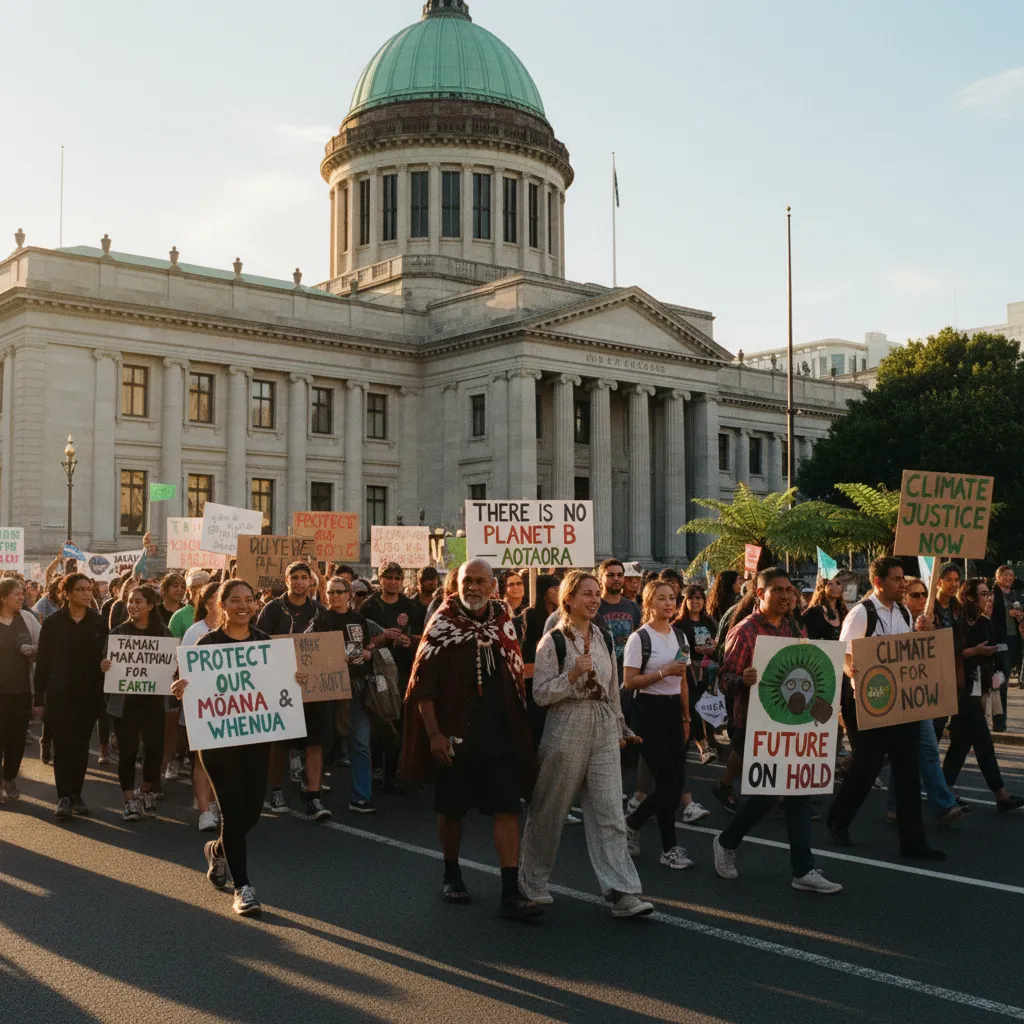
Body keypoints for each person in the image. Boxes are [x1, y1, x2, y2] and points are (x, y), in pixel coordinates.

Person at [401, 559, 542, 920]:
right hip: (455, 736)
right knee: (452, 811)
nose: (474, 587)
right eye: (468, 581)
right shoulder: (443, 624)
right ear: (456, 585)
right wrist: (433, 733)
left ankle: (510, 892)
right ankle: (452, 873)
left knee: (507, 808)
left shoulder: (503, 620)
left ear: (493, 586)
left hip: (500, 735)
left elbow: (514, 671)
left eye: (481, 581)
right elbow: (421, 686)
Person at [519, 571, 652, 917]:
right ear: (569, 599)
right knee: (550, 808)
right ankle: (532, 881)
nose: (594, 600)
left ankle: (622, 891)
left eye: (596, 594)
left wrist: (622, 727)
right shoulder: (553, 641)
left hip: (604, 727)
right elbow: (540, 694)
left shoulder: (606, 638)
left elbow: (612, 692)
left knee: (609, 810)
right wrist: (572, 676)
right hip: (566, 723)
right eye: (586, 594)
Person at [171, 578, 303, 916]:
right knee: (230, 809)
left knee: (249, 815)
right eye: (235, 600)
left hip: (255, 737)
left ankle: (217, 850)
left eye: (249, 599)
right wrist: (182, 687)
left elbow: (277, 689)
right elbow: (186, 684)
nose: (243, 606)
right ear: (221, 604)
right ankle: (243, 888)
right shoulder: (206, 644)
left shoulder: (264, 643)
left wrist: (294, 680)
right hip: (217, 739)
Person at [711, 566, 843, 893]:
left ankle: (803, 870)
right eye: (778, 590)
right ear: (760, 594)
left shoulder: (792, 627)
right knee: (767, 796)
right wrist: (743, 680)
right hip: (751, 724)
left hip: (790, 726)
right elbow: (724, 680)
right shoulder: (745, 631)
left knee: (799, 794)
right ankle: (726, 842)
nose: (786, 596)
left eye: (790, 590)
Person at [827, 556, 944, 860]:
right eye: (896, 579)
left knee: (908, 769)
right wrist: (853, 668)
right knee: (867, 766)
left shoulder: (903, 611)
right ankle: (838, 819)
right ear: (878, 582)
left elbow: (905, 655)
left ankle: (913, 842)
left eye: (904, 578)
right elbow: (843, 653)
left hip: (901, 702)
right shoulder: (861, 613)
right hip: (870, 703)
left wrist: (920, 637)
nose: (902, 584)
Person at [622, 580, 695, 869]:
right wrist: (663, 672)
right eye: (662, 598)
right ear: (649, 604)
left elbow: (684, 681)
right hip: (647, 711)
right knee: (667, 781)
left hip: (673, 711)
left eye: (673, 598)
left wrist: (687, 717)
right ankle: (669, 848)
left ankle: (633, 822)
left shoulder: (680, 636)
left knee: (674, 784)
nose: (669, 603)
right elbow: (629, 682)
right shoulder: (640, 638)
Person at [886, 579, 966, 828]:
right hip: (898, 697)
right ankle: (940, 805)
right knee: (917, 752)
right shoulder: (895, 621)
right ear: (903, 599)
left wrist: (928, 634)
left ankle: (901, 805)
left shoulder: (923, 622)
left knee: (915, 752)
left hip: (918, 696)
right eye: (916, 595)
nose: (922, 599)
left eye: (924, 595)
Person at [256, 560, 332, 820]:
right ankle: (276, 790)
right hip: (282, 687)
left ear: (311, 581)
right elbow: (259, 646)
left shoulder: (320, 611)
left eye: (304, 577)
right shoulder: (272, 610)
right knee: (280, 742)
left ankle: (313, 797)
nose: (300, 582)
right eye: (295, 577)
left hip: (313, 687)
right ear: (286, 580)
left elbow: (328, 647)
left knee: (315, 743)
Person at [942, 578, 1024, 812]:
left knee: (960, 742)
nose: (989, 598)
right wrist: (976, 650)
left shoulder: (985, 618)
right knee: (983, 741)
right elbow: (955, 652)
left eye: (989, 593)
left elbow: (991, 644)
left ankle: (944, 787)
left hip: (978, 686)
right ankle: (1001, 793)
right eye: (983, 594)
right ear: (970, 596)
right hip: (962, 687)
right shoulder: (960, 620)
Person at [33, 573, 109, 820]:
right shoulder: (53, 622)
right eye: (81, 590)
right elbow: (42, 663)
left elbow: (106, 656)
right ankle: (64, 796)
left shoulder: (98, 622)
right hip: (59, 695)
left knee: (80, 747)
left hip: (88, 695)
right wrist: (39, 700)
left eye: (89, 589)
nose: (87, 594)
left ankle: (77, 794)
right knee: (63, 747)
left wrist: (106, 664)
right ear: (66, 593)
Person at [102, 585, 171, 821]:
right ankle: (129, 800)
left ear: (151, 606)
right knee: (128, 752)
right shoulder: (118, 633)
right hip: (125, 704)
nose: (132, 606)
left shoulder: (164, 635)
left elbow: (172, 666)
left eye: (138, 602)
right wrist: (105, 666)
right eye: (130, 601)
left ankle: (146, 790)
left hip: (153, 704)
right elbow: (107, 662)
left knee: (154, 750)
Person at [313, 576, 382, 814]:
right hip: (328, 688)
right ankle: (312, 788)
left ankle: (361, 796)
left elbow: (368, 646)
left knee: (360, 743)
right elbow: (309, 651)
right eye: (330, 592)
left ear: (349, 594)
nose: (334, 596)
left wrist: (368, 653)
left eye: (339, 592)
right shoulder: (320, 620)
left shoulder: (359, 620)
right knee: (324, 741)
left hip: (356, 688)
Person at [361, 561, 421, 796]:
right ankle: (375, 767)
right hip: (376, 671)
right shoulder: (369, 607)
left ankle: (391, 774)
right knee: (378, 721)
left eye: (398, 578)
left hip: (402, 671)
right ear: (381, 579)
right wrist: (383, 638)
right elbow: (360, 639)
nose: (394, 582)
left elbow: (421, 635)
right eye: (389, 577)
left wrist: (409, 641)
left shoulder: (410, 605)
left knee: (398, 722)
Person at [180, 581, 222, 832]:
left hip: (230, 705)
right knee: (202, 759)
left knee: (222, 761)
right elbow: (184, 666)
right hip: (203, 703)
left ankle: (216, 803)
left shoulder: (240, 630)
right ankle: (205, 811)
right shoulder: (195, 632)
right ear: (208, 604)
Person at [0, 578, 41, 804]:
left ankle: (10, 778)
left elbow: (44, 645)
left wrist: (34, 650)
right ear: (3, 597)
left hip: (22, 692)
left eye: (22, 593)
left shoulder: (27, 619)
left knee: (16, 739)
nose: (21, 597)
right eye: (16, 594)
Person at [676, 583, 719, 765]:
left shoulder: (710, 622)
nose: (695, 602)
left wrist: (712, 648)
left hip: (708, 673)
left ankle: (704, 743)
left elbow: (718, 645)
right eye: (691, 598)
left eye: (698, 598)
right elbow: (678, 654)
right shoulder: (679, 624)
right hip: (688, 673)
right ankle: (703, 747)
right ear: (685, 601)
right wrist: (693, 650)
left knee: (705, 711)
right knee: (691, 709)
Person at [991, 565, 1022, 727]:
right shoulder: (992, 594)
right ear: (998, 577)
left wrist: (1019, 615)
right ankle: (999, 721)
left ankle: (999, 719)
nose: (1010, 578)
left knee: (1004, 679)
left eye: (1012, 575)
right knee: (1000, 681)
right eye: (1007, 575)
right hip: (998, 640)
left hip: (1013, 641)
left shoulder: (1016, 594)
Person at [169, 569, 212, 640]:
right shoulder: (178, 617)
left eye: (201, 587)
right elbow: (171, 647)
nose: (197, 591)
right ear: (188, 590)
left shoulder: (216, 614)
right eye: (194, 587)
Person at [802, 576, 847, 642]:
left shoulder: (844, 612)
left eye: (838, 583)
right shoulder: (812, 613)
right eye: (830, 583)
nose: (835, 587)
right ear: (823, 588)